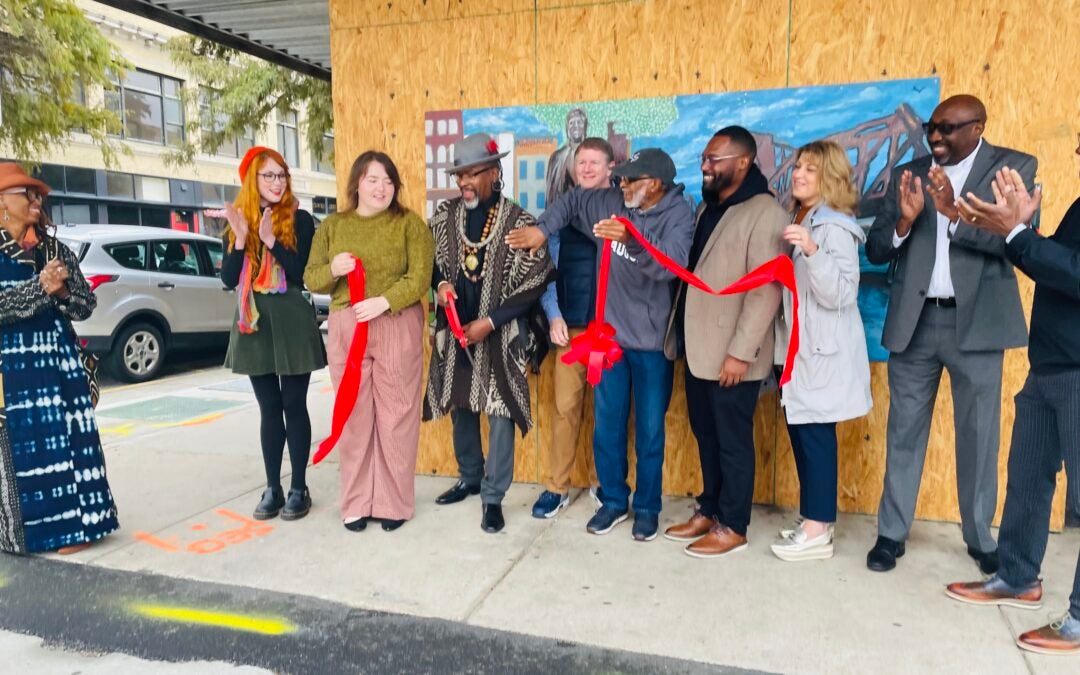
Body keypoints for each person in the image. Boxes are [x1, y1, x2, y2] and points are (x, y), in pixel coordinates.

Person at [864, 95, 1036, 573]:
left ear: (978, 126)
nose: (935, 138)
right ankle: (891, 534)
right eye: (931, 128)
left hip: (977, 324)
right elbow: (878, 248)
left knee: (979, 438)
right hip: (915, 324)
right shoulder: (911, 171)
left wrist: (954, 216)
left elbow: (1017, 242)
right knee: (903, 432)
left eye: (948, 129)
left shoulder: (1013, 168)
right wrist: (904, 220)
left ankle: (981, 538)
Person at [507, 148, 695, 542]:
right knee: (607, 427)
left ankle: (646, 508)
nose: (621, 184)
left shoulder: (679, 212)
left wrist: (635, 239)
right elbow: (572, 201)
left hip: (651, 343)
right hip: (609, 340)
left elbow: (674, 265)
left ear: (655, 184)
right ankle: (612, 501)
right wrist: (543, 229)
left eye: (631, 180)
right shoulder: (611, 201)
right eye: (621, 177)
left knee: (648, 431)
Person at [945, 138, 1080, 655]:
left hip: (1075, 370)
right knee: (1026, 479)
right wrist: (1020, 231)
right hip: (1052, 363)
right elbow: (1057, 265)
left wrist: (1020, 233)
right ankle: (1017, 576)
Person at [661, 126, 787, 558]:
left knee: (733, 441)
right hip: (698, 350)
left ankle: (733, 525)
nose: (705, 166)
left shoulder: (766, 213)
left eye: (715, 159)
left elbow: (766, 289)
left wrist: (741, 353)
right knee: (706, 435)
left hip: (733, 355)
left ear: (743, 161)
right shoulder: (709, 209)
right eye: (704, 158)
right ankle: (710, 508)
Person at [424, 132, 553, 534]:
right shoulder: (444, 218)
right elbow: (428, 262)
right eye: (460, 174)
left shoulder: (520, 223)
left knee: (499, 413)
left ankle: (493, 497)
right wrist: (441, 286)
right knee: (461, 402)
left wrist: (491, 322)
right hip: (458, 329)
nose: (464, 181)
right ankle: (470, 476)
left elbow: (535, 281)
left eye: (473, 173)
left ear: (495, 173)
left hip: (502, 331)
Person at [304, 151, 433, 533]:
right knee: (354, 416)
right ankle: (356, 501)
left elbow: (420, 275)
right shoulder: (332, 226)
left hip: (395, 321)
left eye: (388, 181)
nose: (381, 188)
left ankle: (394, 502)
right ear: (357, 182)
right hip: (348, 325)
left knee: (397, 416)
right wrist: (333, 269)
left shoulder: (410, 225)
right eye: (373, 179)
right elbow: (312, 278)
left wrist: (384, 300)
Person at [0, 162, 119, 555]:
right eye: (26, 194)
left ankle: (85, 527)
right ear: (2, 204)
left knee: (74, 444)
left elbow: (86, 305)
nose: (36, 201)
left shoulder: (55, 249)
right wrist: (40, 288)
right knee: (26, 453)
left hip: (60, 364)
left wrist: (64, 292)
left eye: (38, 196)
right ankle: (34, 535)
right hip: (11, 374)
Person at [770, 141, 873, 562]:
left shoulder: (832, 228)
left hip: (820, 351)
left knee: (815, 436)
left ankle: (816, 531)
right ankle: (815, 520)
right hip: (805, 350)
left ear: (828, 178)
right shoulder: (807, 217)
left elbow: (843, 293)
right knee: (803, 431)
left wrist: (811, 251)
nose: (798, 175)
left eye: (810, 170)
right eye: (797, 167)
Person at [213, 147, 326, 522]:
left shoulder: (301, 220)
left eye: (282, 175)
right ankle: (272, 487)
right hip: (253, 320)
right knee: (269, 408)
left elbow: (302, 275)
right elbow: (229, 279)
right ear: (253, 180)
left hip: (292, 318)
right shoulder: (237, 222)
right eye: (269, 176)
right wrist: (243, 239)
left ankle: (299, 488)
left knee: (294, 405)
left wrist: (272, 241)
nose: (278, 182)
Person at [531, 137, 615, 519]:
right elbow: (546, 274)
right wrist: (553, 316)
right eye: (581, 162)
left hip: (610, 332)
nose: (586, 168)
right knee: (566, 409)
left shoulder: (619, 213)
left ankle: (604, 484)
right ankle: (557, 488)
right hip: (571, 331)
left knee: (608, 411)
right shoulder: (559, 216)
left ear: (610, 168)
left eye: (594, 162)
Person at [545, 108, 588, 205]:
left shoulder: (594, 154)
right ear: (567, 128)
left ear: (585, 126)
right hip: (563, 214)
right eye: (571, 123)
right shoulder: (557, 157)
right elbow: (550, 194)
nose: (575, 126)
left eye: (579, 122)